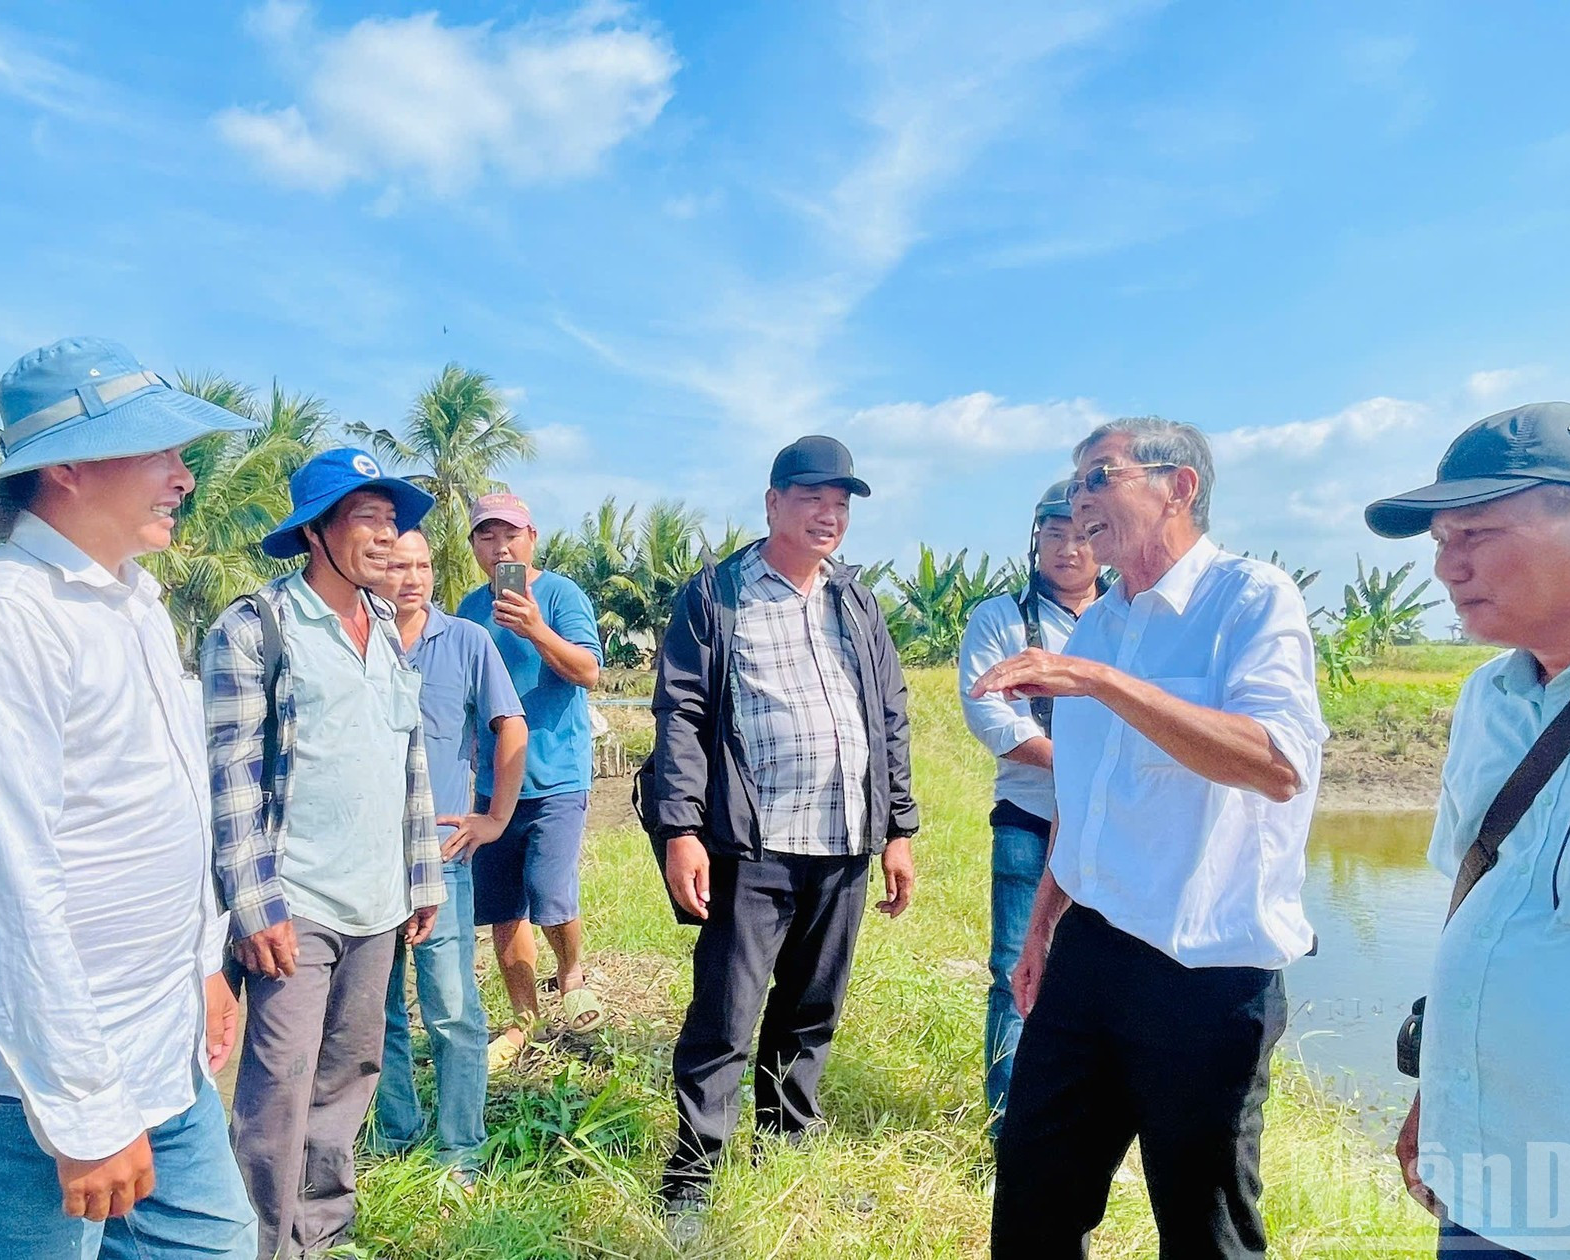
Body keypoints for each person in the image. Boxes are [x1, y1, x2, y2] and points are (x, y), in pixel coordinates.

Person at [0, 336, 260, 1258]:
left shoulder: (133, 605)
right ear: (68, 467)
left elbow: (161, 814)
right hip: (24, 1092)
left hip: (158, 1053)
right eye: (158, 451)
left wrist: (203, 965)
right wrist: (83, 1110)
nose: (184, 477)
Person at [974, 416, 1327, 1259]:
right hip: (1089, 951)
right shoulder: (1100, 623)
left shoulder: (1248, 599)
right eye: (1074, 484)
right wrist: (1042, 925)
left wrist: (1099, 680)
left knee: (1204, 1229)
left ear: (1179, 487)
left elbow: (1277, 765)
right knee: (1032, 1199)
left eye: (1099, 477)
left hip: (1206, 970)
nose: (1078, 501)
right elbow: (1084, 797)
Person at [1367, 403, 1570, 1259]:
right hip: (1485, 1186)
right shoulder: (1489, 698)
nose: (1448, 566)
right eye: (1441, 541)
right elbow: (1478, 907)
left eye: (1477, 533)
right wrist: (1437, 1095)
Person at [649, 434, 920, 1225]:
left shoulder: (854, 600)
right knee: (726, 1016)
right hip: (753, 843)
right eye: (812, 499)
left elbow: (890, 714)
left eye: (840, 503)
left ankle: (785, 1147)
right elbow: (681, 714)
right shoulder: (717, 595)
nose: (828, 515)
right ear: (773, 504)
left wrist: (898, 828)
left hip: (843, 840)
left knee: (811, 1010)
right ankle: (692, 1177)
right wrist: (681, 828)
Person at [201, 448, 447, 1259]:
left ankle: (321, 1235)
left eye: (393, 520)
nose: (387, 537)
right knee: (279, 1090)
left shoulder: (387, 627)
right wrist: (254, 907)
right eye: (366, 519)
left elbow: (407, 759)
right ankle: (259, 1246)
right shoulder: (257, 627)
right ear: (314, 531)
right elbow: (231, 775)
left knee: (349, 1077)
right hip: (294, 904)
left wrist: (421, 876)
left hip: (377, 902)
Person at [370, 529, 529, 1181]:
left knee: (453, 1008)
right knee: (376, 1011)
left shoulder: (467, 641)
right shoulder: (358, 639)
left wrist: (496, 817)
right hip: (365, 862)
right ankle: (394, 1135)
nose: (412, 578)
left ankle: (461, 1149)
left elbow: (510, 724)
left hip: (442, 859)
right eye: (397, 566)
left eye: (424, 565)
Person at [957, 478, 1102, 1132]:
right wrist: (1080, 765)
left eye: (1084, 535)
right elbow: (989, 716)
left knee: (1102, 978)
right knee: (1016, 971)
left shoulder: (1131, 618)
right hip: (1029, 819)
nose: (1069, 549)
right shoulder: (999, 619)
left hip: (1113, 827)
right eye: (1055, 534)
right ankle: (1006, 1128)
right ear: (1035, 540)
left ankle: (1078, 1128)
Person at [455, 491, 607, 1066]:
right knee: (503, 907)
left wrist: (537, 628)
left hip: (556, 775)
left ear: (532, 539)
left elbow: (588, 671)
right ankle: (524, 1020)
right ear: (474, 545)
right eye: (487, 536)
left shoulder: (561, 595)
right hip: (492, 785)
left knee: (549, 891)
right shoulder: (469, 609)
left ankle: (571, 974)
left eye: (510, 535)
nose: (500, 547)